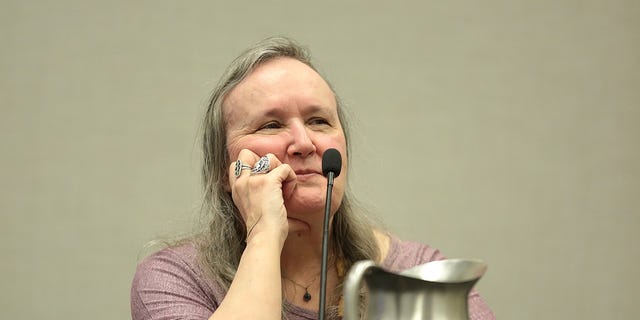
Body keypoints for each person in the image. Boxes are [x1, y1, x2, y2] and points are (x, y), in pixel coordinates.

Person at [130, 36, 495, 320]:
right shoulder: (174, 279)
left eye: (319, 121)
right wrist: (264, 232)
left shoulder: (414, 272)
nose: (304, 143)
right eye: (271, 125)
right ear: (225, 171)